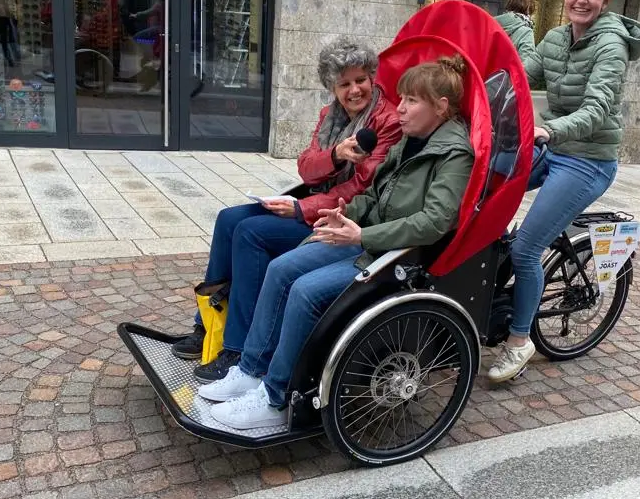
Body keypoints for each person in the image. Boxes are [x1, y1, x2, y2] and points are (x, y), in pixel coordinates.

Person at [197, 54, 475, 431]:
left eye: (411, 100)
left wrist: (362, 234)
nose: (401, 109)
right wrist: (343, 215)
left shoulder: (453, 154)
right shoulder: (411, 142)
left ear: (441, 108)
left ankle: (275, 398)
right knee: (281, 268)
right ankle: (251, 370)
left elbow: (435, 222)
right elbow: (373, 195)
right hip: (367, 239)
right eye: (403, 98)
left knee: (306, 291)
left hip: (394, 255)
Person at [170, 36, 401, 381]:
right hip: (314, 203)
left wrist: (300, 209)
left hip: (338, 218)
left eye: (361, 80)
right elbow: (306, 168)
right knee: (229, 219)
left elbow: (362, 189)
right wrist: (336, 154)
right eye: (344, 84)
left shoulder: (386, 121)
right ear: (332, 87)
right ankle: (207, 325)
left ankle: (235, 347)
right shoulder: (330, 117)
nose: (354, 90)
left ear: (372, 77)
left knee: (251, 234)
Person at [487, 0, 640, 384]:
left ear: (605, 0)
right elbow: (522, 75)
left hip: (587, 160)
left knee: (525, 250)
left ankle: (519, 342)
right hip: (553, 144)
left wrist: (549, 130)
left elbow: (597, 109)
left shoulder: (612, 46)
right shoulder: (557, 38)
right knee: (483, 185)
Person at [495, 0, 537, 64]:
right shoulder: (526, 32)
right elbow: (525, 65)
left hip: (486, 74)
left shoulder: (493, 23)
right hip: (509, 74)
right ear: (530, 8)